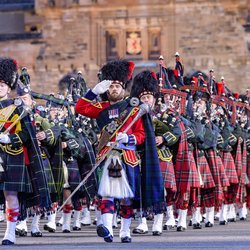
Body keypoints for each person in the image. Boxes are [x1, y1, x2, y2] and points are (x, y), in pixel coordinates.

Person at [75, 59, 164, 243]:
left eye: (117, 86)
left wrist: (128, 138)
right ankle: (107, 228)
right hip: (109, 155)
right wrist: (93, 92)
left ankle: (124, 230)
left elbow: (141, 134)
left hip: (128, 155)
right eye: (111, 86)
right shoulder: (101, 108)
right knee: (108, 191)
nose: (114, 89)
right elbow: (80, 108)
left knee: (126, 198)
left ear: (123, 88)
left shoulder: (134, 108)